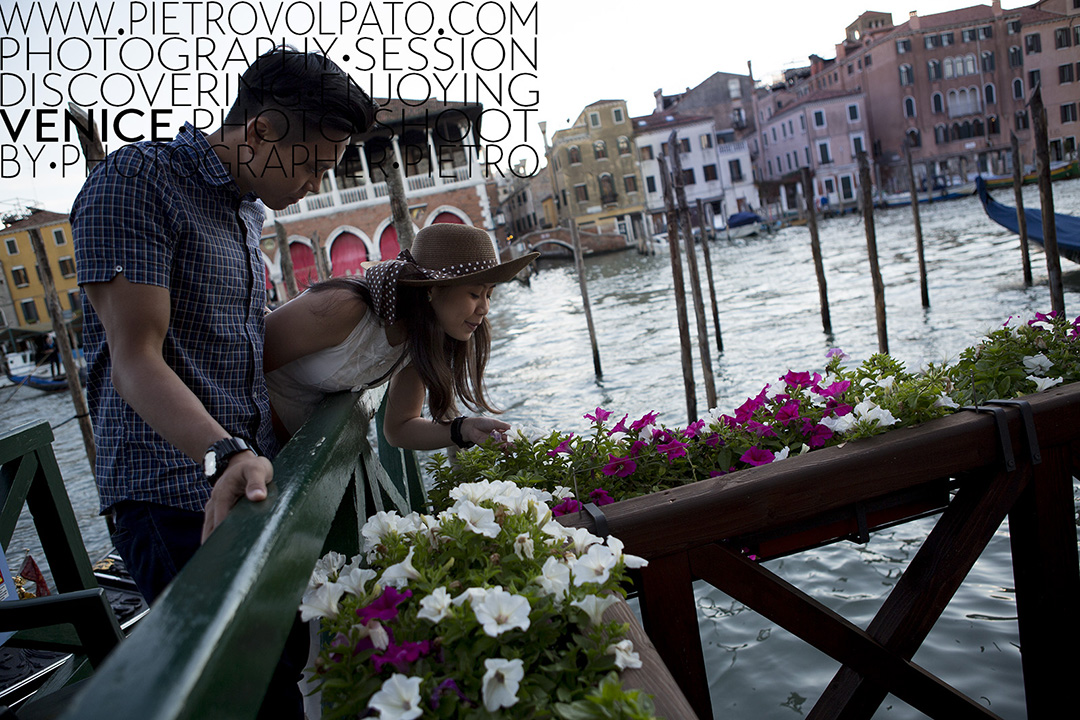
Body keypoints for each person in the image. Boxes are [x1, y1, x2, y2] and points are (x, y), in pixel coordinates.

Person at [72, 47, 373, 718]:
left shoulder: (248, 209)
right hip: (172, 496)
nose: (318, 184)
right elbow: (134, 358)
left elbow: (240, 344)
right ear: (261, 131)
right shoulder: (135, 180)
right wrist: (225, 454)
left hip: (250, 484)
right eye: (313, 164)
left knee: (282, 676)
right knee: (241, 698)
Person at [264, 223, 538, 449]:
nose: (485, 308)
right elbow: (241, 357)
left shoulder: (420, 337)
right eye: (475, 294)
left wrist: (464, 429)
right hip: (256, 434)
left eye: (489, 294)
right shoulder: (345, 307)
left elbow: (399, 428)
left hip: (299, 446)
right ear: (431, 289)